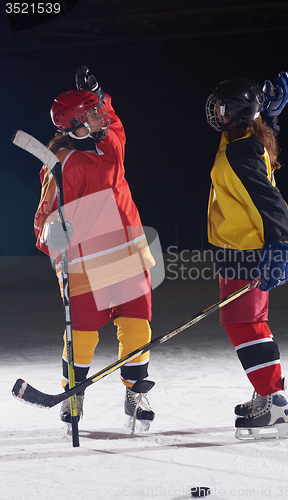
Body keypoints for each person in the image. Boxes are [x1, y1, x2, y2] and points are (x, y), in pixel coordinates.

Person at [34, 66, 156, 431]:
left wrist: (99, 91)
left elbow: (115, 123)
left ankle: (136, 390)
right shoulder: (62, 166)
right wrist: (58, 233)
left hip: (126, 252)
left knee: (136, 323)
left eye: (96, 112)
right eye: (90, 115)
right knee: (84, 332)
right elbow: (43, 222)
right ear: (71, 127)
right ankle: (74, 393)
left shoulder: (109, 144)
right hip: (86, 260)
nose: (99, 118)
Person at [205, 71, 288, 439]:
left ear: (239, 113)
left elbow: (272, 201)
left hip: (248, 249)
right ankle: (265, 392)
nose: (216, 112)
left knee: (245, 324)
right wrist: (267, 116)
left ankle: (273, 401)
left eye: (223, 107)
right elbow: (260, 142)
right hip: (237, 247)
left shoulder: (242, 148)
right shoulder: (243, 138)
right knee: (243, 322)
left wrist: (280, 246)